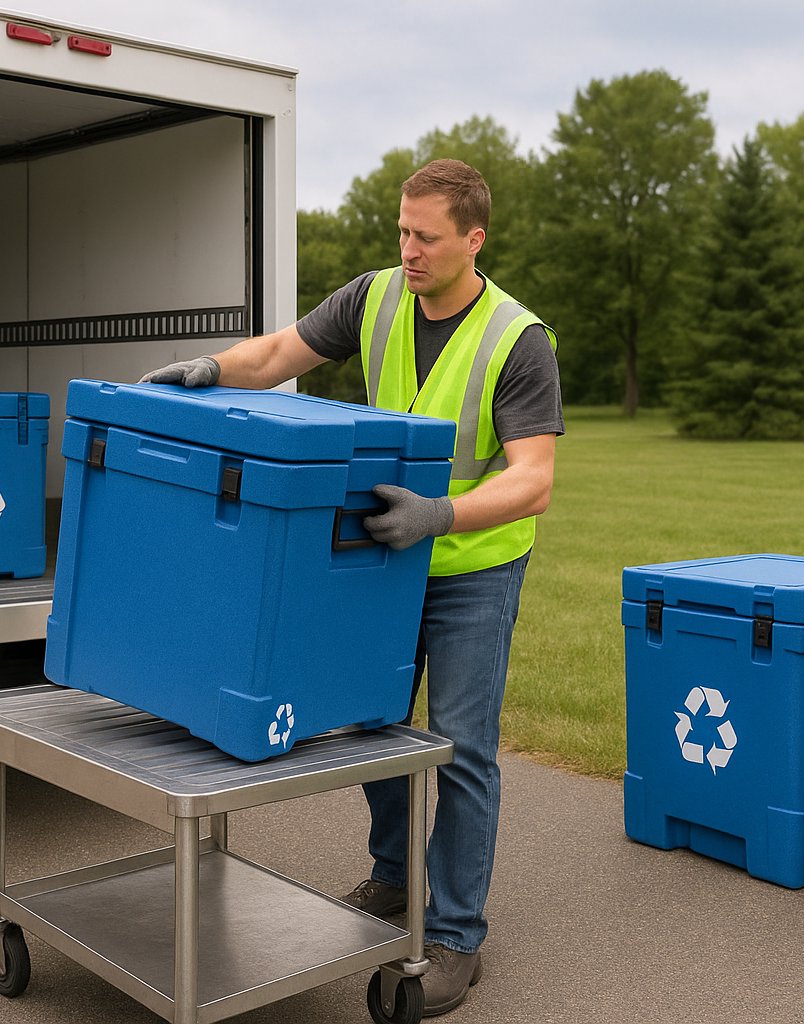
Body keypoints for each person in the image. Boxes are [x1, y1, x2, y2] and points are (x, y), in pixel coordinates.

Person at [140, 158, 562, 1017]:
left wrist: (440, 515)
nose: (407, 249)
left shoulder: (519, 340)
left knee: (462, 747)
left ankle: (454, 936)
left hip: (471, 563)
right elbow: (280, 353)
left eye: (426, 237)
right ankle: (395, 875)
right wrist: (212, 370)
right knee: (370, 721)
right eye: (401, 231)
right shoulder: (373, 297)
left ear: (473, 240)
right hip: (386, 556)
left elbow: (534, 480)